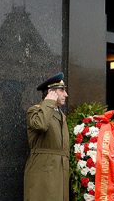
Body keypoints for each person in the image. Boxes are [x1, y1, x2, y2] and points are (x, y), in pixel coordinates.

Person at [24, 72, 70, 201]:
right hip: (44, 172)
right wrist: (49, 101)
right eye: (62, 90)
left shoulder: (61, 115)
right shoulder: (35, 110)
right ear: (51, 92)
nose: (66, 94)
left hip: (59, 171)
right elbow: (40, 125)